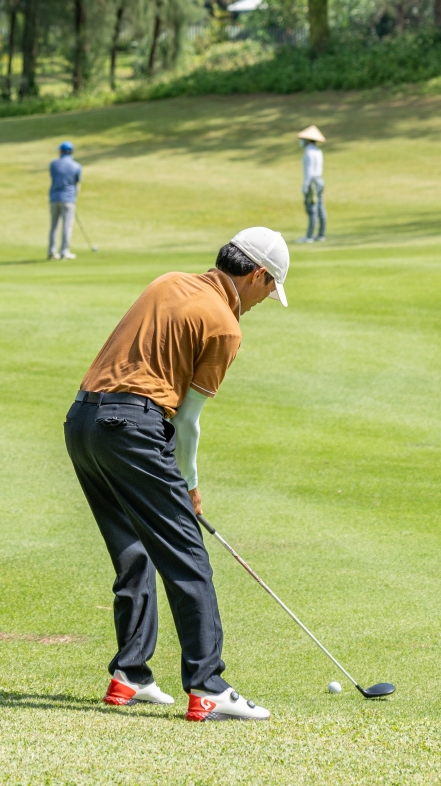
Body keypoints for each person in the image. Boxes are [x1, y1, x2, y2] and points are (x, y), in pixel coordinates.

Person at [64, 226, 290, 722]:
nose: (266, 299)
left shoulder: (168, 281)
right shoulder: (225, 327)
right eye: (271, 288)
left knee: (133, 548)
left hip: (82, 422)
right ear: (257, 275)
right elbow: (186, 422)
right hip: (132, 428)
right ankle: (208, 686)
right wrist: (188, 486)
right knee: (188, 555)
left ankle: (131, 675)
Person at [48, 140, 82, 260]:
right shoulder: (76, 166)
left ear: (62, 151)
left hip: (54, 198)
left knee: (54, 226)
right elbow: (77, 183)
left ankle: (52, 252)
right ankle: (64, 252)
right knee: (67, 226)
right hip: (68, 199)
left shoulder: (53, 164)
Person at [296, 125, 326, 243]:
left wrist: (305, 186)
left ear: (308, 140)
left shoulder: (308, 152)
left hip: (312, 181)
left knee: (312, 208)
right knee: (321, 208)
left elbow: (309, 171)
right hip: (320, 179)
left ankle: (309, 236)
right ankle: (321, 234)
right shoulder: (318, 151)